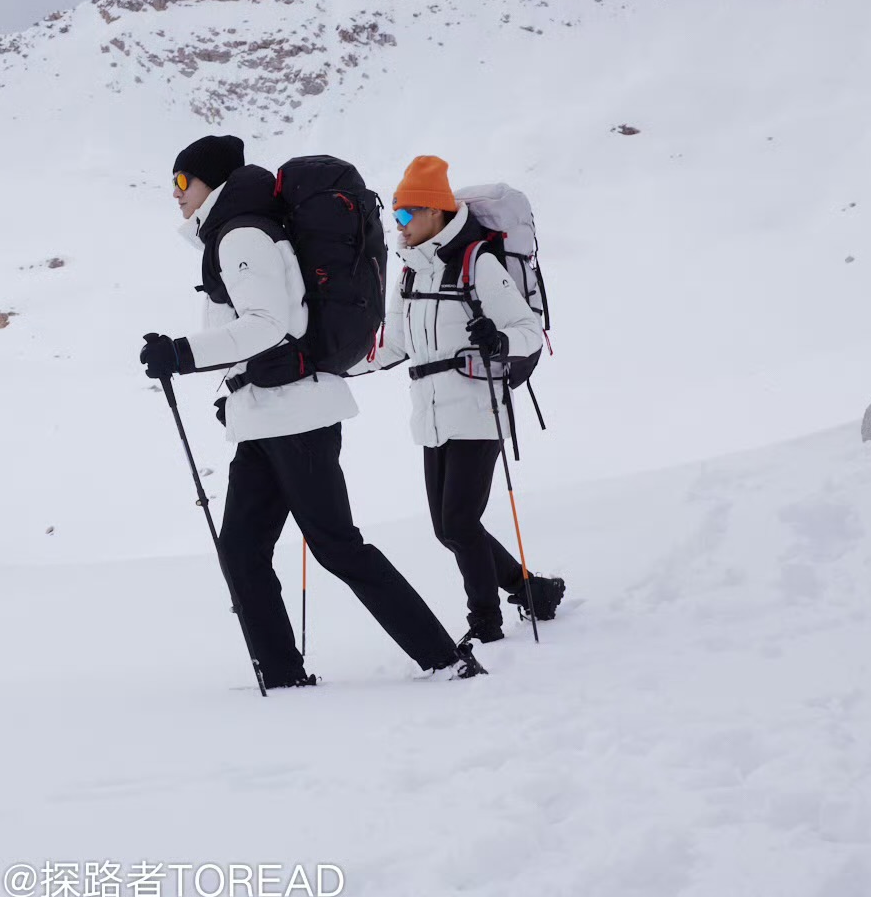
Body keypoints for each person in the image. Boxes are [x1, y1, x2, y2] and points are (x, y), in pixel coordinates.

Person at [139, 134, 485, 684]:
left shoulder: (242, 235)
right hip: (271, 416)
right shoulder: (238, 229)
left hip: (293, 417)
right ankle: (281, 675)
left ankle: (444, 659)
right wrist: (236, 393)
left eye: (183, 181)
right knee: (243, 551)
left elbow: (266, 325)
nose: (176, 194)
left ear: (211, 181)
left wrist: (181, 354)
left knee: (336, 547)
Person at [374, 155, 566, 644]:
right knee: (447, 529)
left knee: (460, 522)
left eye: (405, 214)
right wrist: (332, 363)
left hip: (480, 406)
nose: (398, 226)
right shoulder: (409, 273)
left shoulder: (477, 261)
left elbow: (525, 330)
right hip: (431, 414)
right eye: (394, 215)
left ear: (435, 212)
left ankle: (485, 623)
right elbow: (393, 345)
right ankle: (531, 590)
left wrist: (498, 340)